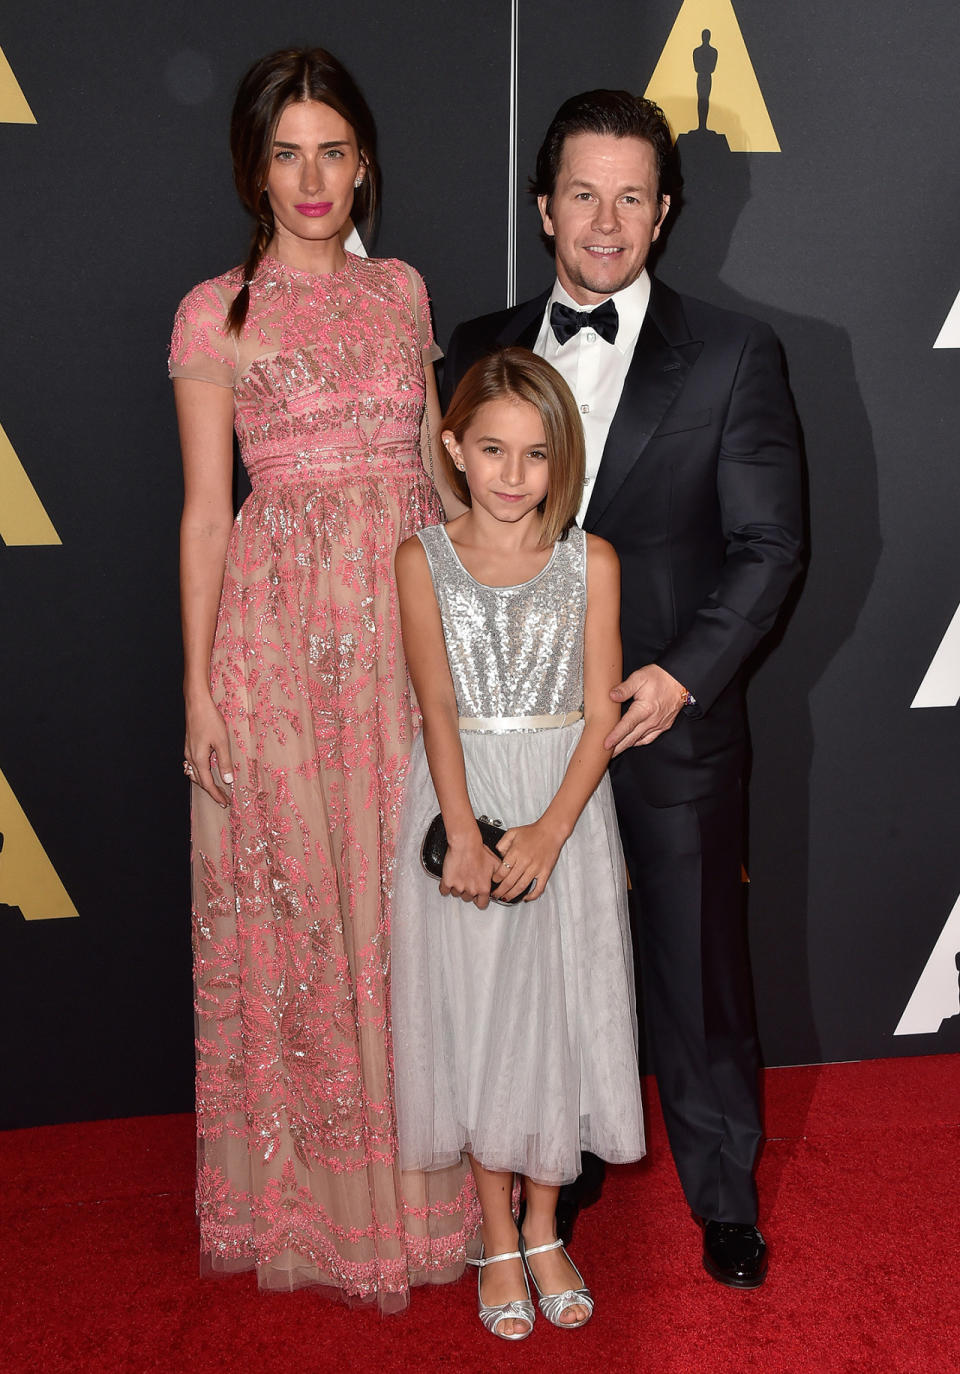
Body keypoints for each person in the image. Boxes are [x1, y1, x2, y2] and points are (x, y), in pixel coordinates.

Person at [440, 90, 803, 1289]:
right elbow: (445, 547)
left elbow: (769, 548)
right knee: (537, 963)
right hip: (520, 733)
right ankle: (555, 1172)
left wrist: (683, 678)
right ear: (543, 206)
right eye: (583, 194)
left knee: (698, 968)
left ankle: (722, 1196)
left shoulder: (737, 354)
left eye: (632, 197)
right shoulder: (478, 344)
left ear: (665, 213)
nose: (606, 221)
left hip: (663, 720)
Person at [169, 47, 475, 1311]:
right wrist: (196, 691)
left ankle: (428, 1195)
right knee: (300, 923)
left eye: (332, 150)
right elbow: (202, 513)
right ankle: (317, 1201)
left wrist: (499, 610)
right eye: (286, 152)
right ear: (252, 165)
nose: (311, 178)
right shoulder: (214, 313)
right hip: (278, 650)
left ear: (365, 163)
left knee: (407, 919)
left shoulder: (403, 292)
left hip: (404, 638)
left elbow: (438, 478)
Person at [391, 348, 645, 1340]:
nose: (510, 473)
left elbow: (599, 712)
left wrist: (550, 828)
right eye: (490, 449)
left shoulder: (594, 561)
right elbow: (436, 706)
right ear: (453, 446)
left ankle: (546, 1225)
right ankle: (495, 1228)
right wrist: (462, 831)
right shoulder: (422, 559)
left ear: (561, 461)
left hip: (564, 814)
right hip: (464, 808)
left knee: (560, 1018)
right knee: (482, 1021)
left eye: (535, 455)